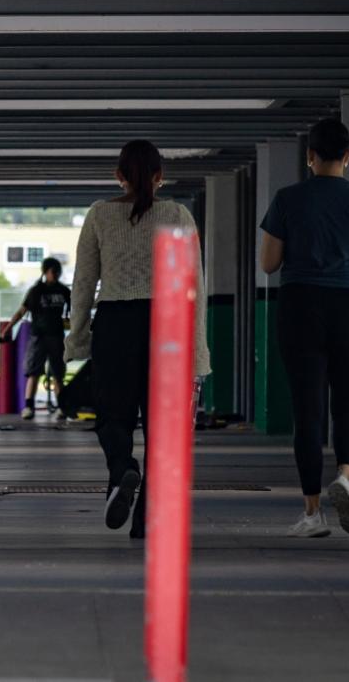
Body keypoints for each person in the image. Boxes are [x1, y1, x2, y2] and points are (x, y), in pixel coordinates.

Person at [258, 118, 349, 539]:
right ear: (348, 157)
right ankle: (347, 478)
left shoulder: (287, 199)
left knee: (308, 411)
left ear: (310, 157)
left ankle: (312, 513)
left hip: (300, 304)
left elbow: (268, 264)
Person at [65, 139, 210, 540]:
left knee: (113, 417)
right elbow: (194, 286)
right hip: (167, 327)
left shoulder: (99, 215)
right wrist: (198, 350)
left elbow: (83, 283)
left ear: (119, 176)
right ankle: (145, 522)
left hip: (115, 325)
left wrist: (76, 339)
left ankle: (122, 470)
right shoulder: (178, 214)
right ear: (161, 177)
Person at [0, 257, 71, 419]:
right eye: (53, 271)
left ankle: (61, 407)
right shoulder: (36, 291)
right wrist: (8, 328)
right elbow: (21, 311)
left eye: (58, 271)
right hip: (38, 336)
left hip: (56, 337)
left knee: (58, 374)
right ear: (46, 272)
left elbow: (74, 310)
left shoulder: (64, 291)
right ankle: (29, 407)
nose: (56, 274)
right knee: (34, 372)